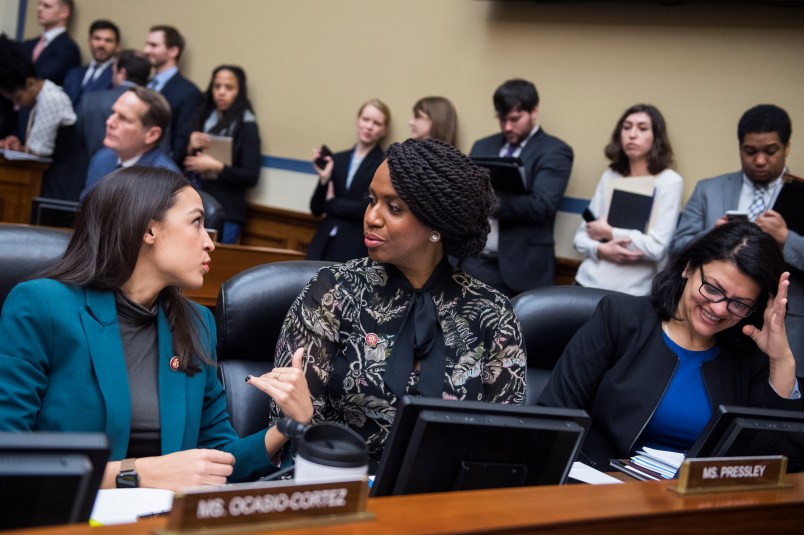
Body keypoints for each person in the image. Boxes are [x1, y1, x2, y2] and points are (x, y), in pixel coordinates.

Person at [0, 167, 313, 490]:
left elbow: (216, 458)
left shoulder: (196, 323)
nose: (210, 243)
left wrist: (287, 426)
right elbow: (9, 456)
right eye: (196, 222)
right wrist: (137, 473)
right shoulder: (41, 305)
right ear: (149, 230)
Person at [255, 138, 527, 466]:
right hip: (337, 481)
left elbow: (503, 439)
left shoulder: (491, 312)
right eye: (372, 201)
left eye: (393, 207)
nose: (371, 217)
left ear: (436, 225)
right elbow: (292, 422)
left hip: (447, 499)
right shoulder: (334, 291)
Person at [540, 222, 801, 469]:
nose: (720, 309)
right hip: (601, 487)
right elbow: (556, 414)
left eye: (739, 303)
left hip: (694, 504)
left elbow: (776, 460)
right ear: (688, 267)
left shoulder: (748, 355)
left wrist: (782, 360)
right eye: (712, 289)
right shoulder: (620, 318)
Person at [671, 104, 804, 373]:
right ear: (740, 147)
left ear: (787, 147)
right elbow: (676, 249)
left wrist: (786, 239)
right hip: (711, 324)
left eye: (770, 151)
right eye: (750, 151)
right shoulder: (709, 189)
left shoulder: (801, 193)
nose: (760, 160)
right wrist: (713, 235)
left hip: (785, 328)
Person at [461, 79, 574, 296]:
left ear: (534, 111)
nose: (507, 127)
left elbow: (540, 206)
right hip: (472, 261)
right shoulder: (483, 145)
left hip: (519, 270)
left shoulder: (555, 151)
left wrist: (485, 198)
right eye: (502, 120)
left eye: (515, 119)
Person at [573, 104, 683, 295]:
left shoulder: (669, 182)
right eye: (627, 127)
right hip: (585, 282)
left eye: (642, 128)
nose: (632, 135)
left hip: (631, 293)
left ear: (656, 137)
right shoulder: (611, 175)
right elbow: (580, 238)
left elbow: (656, 248)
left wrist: (609, 232)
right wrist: (601, 250)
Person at [183, 65, 261, 244]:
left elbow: (251, 176)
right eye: (216, 86)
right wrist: (189, 146)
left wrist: (215, 166)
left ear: (239, 91)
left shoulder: (246, 124)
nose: (221, 92)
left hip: (227, 211)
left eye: (228, 87)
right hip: (194, 203)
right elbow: (177, 163)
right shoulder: (201, 116)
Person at [0, 35, 83, 201]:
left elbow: (40, 151)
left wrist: (21, 149)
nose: (18, 104)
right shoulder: (41, 97)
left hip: (63, 179)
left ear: (30, 83)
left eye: (18, 98)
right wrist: (19, 146)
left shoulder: (51, 98)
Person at [305, 99, 390, 262]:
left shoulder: (382, 165)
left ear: (384, 130)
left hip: (353, 247)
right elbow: (316, 209)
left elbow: (363, 209)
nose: (369, 126)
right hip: (322, 243)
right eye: (365, 119)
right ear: (358, 120)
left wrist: (332, 203)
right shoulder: (337, 159)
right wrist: (324, 180)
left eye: (377, 123)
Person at [82, 86, 178, 198]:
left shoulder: (166, 182)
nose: (109, 122)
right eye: (113, 112)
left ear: (152, 135)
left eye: (123, 118)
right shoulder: (101, 159)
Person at [76, 49, 151, 160]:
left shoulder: (90, 100)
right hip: (135, 174)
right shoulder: (154, 106)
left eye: (114, 70)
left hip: (91, 168)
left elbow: (77, 138)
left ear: (122, 72)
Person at [144, 25, 202, 166]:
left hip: (160, 170)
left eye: (154, 45)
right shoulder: (144, 84)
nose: (146, 50)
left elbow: (181, 141)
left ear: (173, 51)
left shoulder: (188, 92)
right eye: (146, 45)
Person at [20, 0, 80, 86]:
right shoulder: (28, 44)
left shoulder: (68, 49)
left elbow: (40, 79)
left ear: (64, 13)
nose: (39, 9)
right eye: (39, 4)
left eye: (46, 6)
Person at [61, 19, 120, 106]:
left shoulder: (118, 76)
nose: (101, 44)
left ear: (117, 46)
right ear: (89, 41)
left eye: (108, 40)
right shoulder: (74, 74)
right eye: (97, 38)